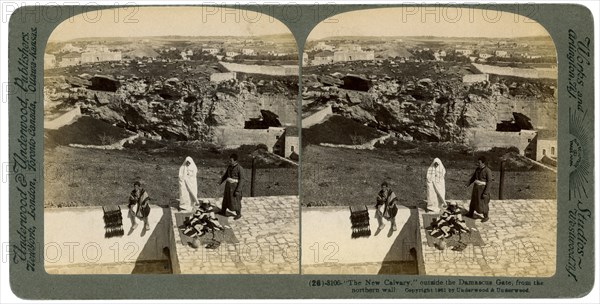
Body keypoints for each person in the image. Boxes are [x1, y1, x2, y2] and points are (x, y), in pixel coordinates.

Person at [466, 156, 493, 222]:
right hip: (476, 189)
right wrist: (468, 183)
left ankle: (486, 217)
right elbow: (473, 177)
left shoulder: (487, 171)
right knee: (473, 201)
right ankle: (470, 213)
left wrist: (485, 193)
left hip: (482, 189)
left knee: (483, 203)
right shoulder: (477, 169)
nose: (478, 164)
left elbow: (489, 182)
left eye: (479, 162)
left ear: (483, 163)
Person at [219, 154, 244, 220]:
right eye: (229, 160)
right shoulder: (229, 167)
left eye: (231, 160)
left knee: (236, 200)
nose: (229, 161)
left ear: (235, 161)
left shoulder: (239, 168)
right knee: (226, 199)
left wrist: (238, 190)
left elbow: (241, 180)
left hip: (235, 187)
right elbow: (226, 175)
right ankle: (223, 211)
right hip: (228, 186)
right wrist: (221, 181)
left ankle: (238, 214)